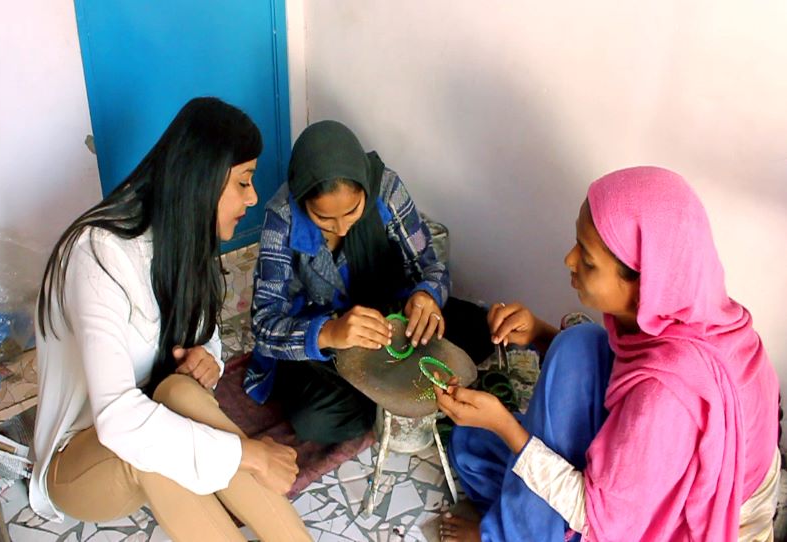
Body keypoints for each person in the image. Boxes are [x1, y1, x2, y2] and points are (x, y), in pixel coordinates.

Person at [436, 166, 780, 541]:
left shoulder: (667, 398)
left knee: (488, 444)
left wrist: (504, 425)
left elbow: (600, 520)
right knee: (577, 344)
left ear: (643, 283)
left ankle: (505, 535)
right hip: (657, 471)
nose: (569, 260)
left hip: (668, 524)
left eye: (588, 260)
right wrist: (539, 332)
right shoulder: (695, 313)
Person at [30, 97, 311, 541]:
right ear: (202, 180)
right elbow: (120, 421)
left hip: (147, 415)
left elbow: (207, 339)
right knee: (149, 446)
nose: (253, 197)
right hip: (83, 459)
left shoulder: (186, 241)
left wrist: (208, 360)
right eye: (243, 182)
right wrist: (250, 455)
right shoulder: (98, 254)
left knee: (178, 391)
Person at [247, 120, 491, 444]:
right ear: (302, 200)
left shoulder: (385, 190)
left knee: (480, 328)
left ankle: (388, 392)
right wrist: (330, 332)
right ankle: (397, 395)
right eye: (323, 219)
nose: (343, 229)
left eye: (352, 211)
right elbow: (264, 325)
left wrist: (427, 296)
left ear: (365, 188)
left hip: (393, 319)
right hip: (327, 341)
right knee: (313, 421)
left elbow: (432, 266)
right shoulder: (282, 219)